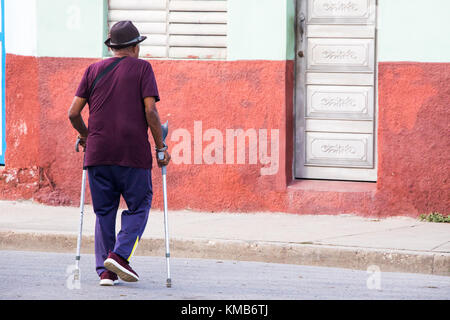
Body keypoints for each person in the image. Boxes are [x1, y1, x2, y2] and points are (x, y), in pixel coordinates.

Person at [68, 21, 170, 286]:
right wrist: (161, 147)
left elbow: (73, 113)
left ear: (112, 47)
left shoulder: (93, 70)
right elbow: (150, 111)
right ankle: (120, 256)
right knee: (139, 206)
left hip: (98, 154)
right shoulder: (142, 68)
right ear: (135, 47)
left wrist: (85, 136)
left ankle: (106, 272)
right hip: (132, 154)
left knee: (104, 213)